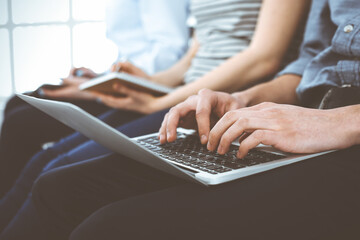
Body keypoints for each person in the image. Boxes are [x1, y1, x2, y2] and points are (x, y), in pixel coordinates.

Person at [10, 0, 360, 239]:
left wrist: (341, 121)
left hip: (342, 130)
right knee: (59, 188)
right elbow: (309, 66)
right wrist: (242, 100)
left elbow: (263, 56)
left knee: (110, 228)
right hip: (305, 112)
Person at [0, 0, 190, 197]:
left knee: (30, 138)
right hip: (139, 81)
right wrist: (103, 79)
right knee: (18, 105)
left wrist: (103, 88)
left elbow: (170, 53)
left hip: (150, 89)